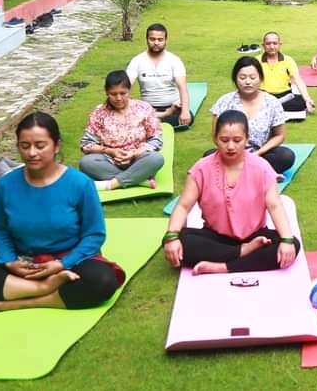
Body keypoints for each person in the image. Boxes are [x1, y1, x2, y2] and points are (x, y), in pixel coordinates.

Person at [0, 112, 122, 314]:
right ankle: (44, 289)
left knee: (101, 281)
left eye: (40, 145)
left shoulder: (80, 184)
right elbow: (0, 231)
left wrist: (61, 264)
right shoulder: (6, 184)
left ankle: (22, 300)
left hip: (70, 262)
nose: (31, 153)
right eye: (25, 146)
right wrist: (10, 261)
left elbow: (94, 235)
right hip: (25, 264)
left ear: (56, 146)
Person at [163, 110, 299, 274]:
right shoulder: (201, 168)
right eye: (224, 140)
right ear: (215, 139)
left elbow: (275, 206)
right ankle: (242, 252)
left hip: (255, 236)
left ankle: (222, 267)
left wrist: (286, 240)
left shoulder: (261, 167)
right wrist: (172, 237)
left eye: (237, 140)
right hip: (215, 238)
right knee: (176, 240)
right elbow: (183, 206)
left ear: (247, 139)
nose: (231, 146)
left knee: (292, 244)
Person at [78, 70, 166, 192]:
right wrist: (112, 151)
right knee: (86, 163)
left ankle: (111, 184)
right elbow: (86, 144)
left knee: (156, 159)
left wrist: (134, 153)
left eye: (123, 93)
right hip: (110, 161)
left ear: (129, 91)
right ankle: (139, 179)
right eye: (113, 94)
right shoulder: (99, 112)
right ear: (106, 92)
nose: (118, 98)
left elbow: (156, 139)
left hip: (138, 158)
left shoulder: (144, 108)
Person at [208, 57, 295, 174]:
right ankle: (256, 171)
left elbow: (280, 135)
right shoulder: (225, 101)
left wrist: (258, 153)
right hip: (231, 152)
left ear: (260, 78)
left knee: (286, 156)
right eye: (242, 78)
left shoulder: (272, 102)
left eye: (252, 77)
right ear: (235, 79)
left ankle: (243, 170)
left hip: (261, 154)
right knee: (208, 156)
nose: (248, 82)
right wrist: (233, 151)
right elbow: (216, 135)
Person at [125, 23, 191, 127]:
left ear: (165, 41)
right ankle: (154, 120)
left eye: (160, 40)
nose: (156, 43)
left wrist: (185, 111)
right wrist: (129, 103)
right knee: (131, 116)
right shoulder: (137, 61)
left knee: (186, 118)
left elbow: (182, 87)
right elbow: (126, 86)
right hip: (147, 108)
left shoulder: (174, 60)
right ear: (147, 39)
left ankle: (151, 122)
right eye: (152, 39)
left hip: (173, 107)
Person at [259, 31, 316, 120]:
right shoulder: (256, 60)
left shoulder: (288, 60)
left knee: (301, 103)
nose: (272, 46)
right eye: (268, 44)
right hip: (264, 96)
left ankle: (271, 110)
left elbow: (298, 80)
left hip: (284, 96)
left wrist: (307, 99)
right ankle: (275, 109)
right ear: (263, 45)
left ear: (280, 45)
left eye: (275, 43)